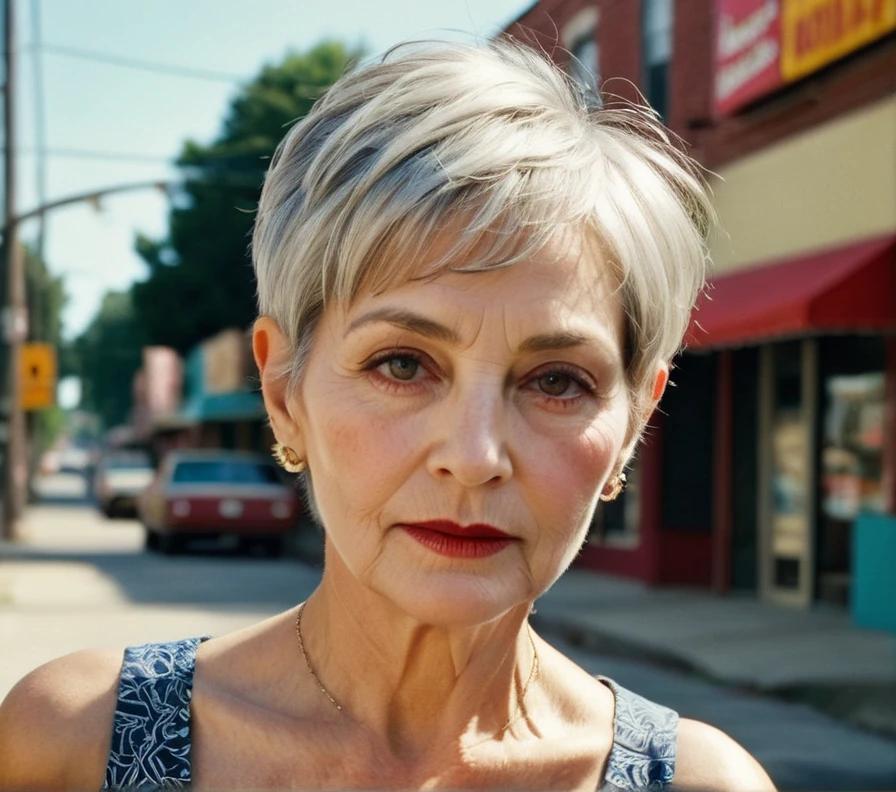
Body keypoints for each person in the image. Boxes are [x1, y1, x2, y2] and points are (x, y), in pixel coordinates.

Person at [0, 39, 776, 792]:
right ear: (282, 391)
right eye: (402, 365)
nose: (474, 456)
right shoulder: (77, 743)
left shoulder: (700, 783)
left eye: (556, 381)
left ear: (633, 425)